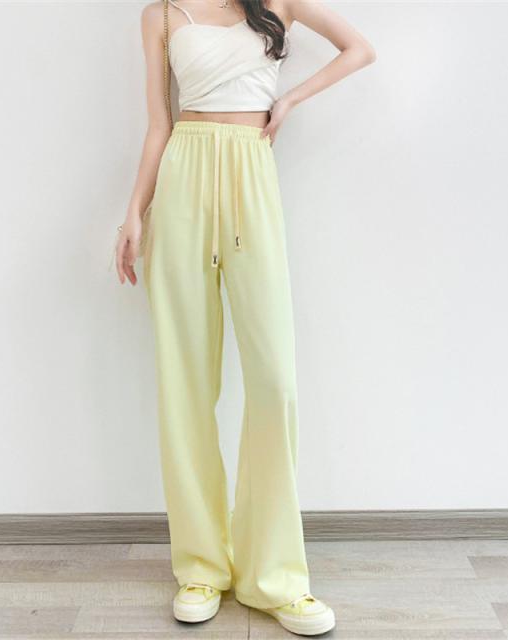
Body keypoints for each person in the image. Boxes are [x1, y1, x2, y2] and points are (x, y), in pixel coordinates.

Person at [115, 0, 375, 634]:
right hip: (183, 175)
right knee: (186, 382)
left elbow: (359, 49)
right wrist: (134, 214)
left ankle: (275, 576)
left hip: (251, 171)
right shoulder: (161, 15)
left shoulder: (277, 3)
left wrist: (289, 101)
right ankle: (201, 567)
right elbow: (159, 124)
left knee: (274, 382)